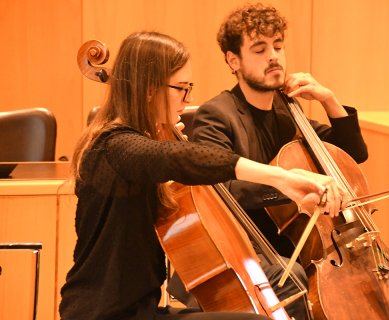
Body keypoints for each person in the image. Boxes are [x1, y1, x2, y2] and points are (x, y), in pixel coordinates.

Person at [59, 31, 345, 320]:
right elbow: (183, 158)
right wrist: (282, 178)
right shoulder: (112, 145)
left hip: (142, 311)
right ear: (148, 89)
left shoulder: (136, 149)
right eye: (182, 88)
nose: (189, 97)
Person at [185, 3, 369, 320]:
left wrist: (329, 99)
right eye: (260, 49)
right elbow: (219, 190)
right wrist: (293, 189)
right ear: (233, 60)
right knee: (295, 276)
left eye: (278, 46)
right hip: (249, 249)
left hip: (300, 248)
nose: (274, 56)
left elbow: (351, 155)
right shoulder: (217, 115)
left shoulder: (288, 112)